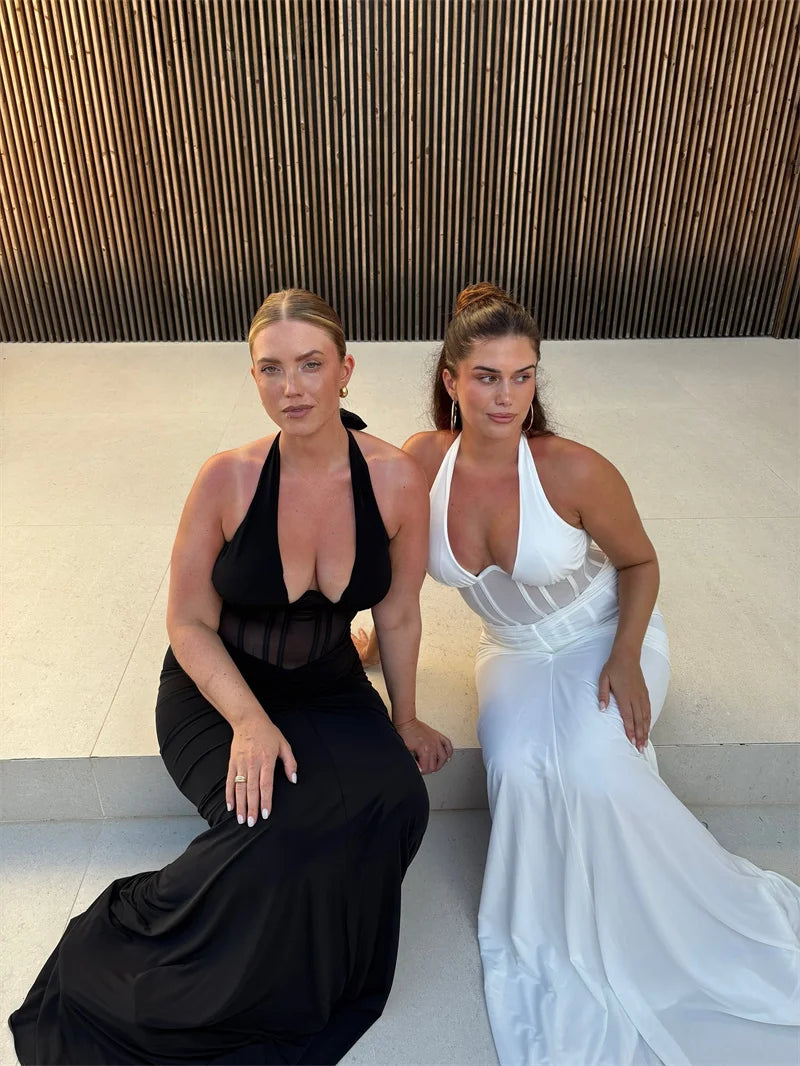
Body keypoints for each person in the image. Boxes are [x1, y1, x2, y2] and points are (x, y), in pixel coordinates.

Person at [356, 283, 799, 1066]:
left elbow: (640, 561)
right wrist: (383, 672)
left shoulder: (573, 469)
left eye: (523, 376)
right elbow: (398, 588)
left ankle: (684, 933)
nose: (507, 395)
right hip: (514, 652)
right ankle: (559, 943)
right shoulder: (422, 461)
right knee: (523, 773)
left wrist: (626, 655)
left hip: (603, 632)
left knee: (597, 766)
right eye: (487, 376)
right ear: (451, 379)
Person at [9, 288, 452, 1065]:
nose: (293, 388)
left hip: (325, 679)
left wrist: (406, 717)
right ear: (253, 377)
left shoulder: (395, 481)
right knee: (277, 827)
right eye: (271, 369)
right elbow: (186, 623)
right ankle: (167, 971)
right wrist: (249, 720)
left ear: (345, 370)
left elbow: (401, 614)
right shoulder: (228, 479)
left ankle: (309, 970)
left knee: (396, 802)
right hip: (214, 686)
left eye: (311, 365)